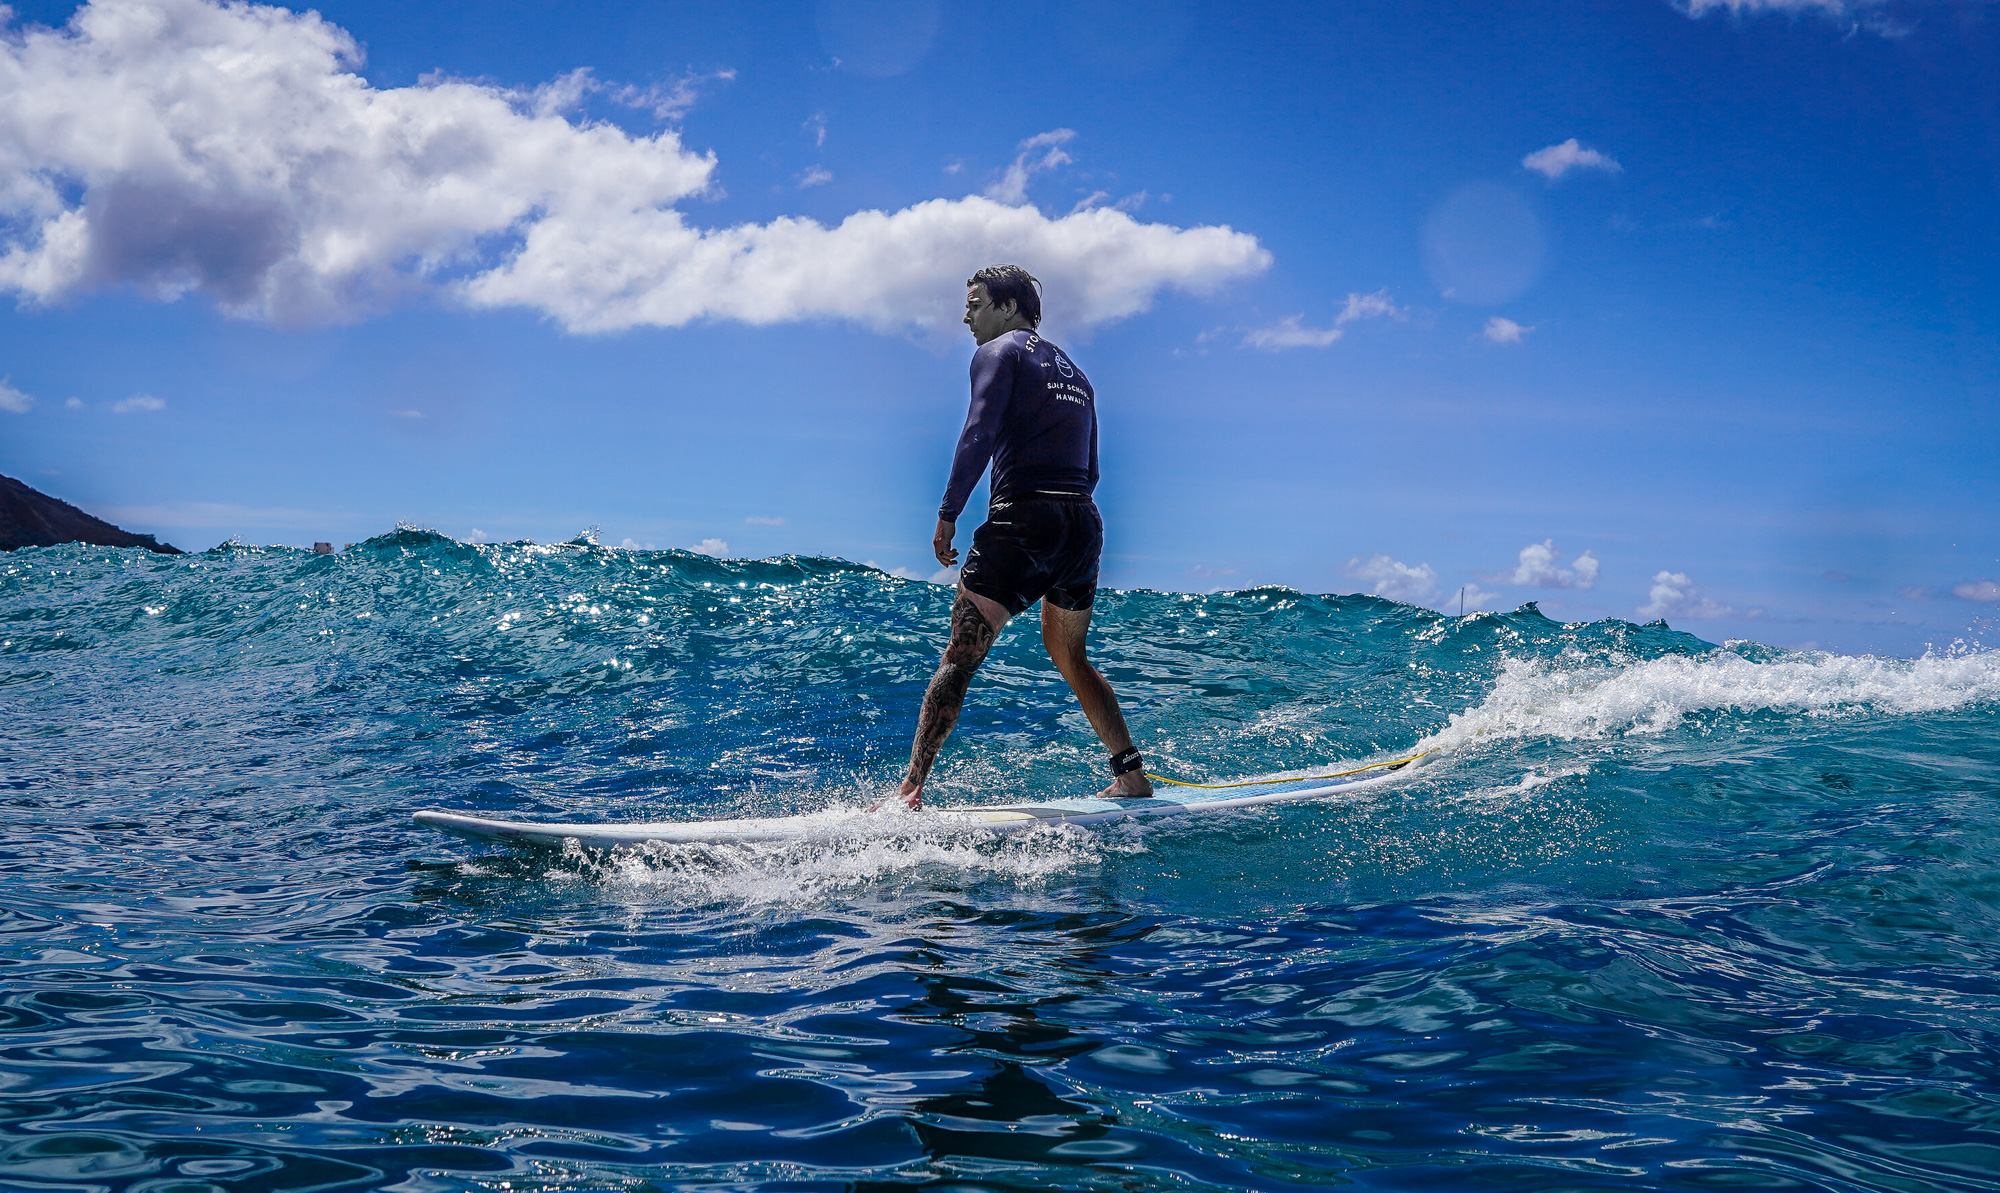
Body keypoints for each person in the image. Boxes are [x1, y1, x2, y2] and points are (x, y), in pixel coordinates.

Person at [876, 264, 1152, 812]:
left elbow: (979, 429)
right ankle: (1131, 776)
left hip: (1022, 520)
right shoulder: (1078, 374)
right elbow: (1092, 468)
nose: (966, 315)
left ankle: (910, 791)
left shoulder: (999, 352)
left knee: (961, 653)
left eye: (975, 303)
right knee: (1069, 655)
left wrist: (949, 510)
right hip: (1080, 525)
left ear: (1008, 308)